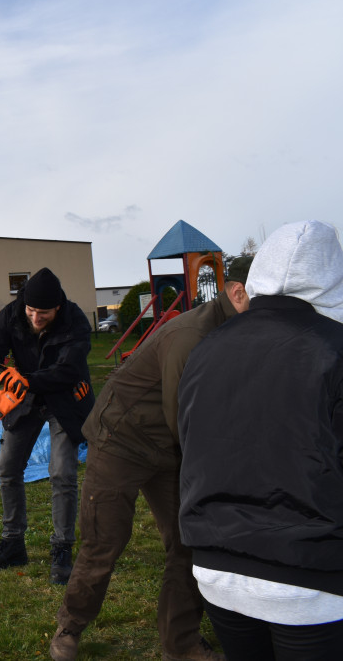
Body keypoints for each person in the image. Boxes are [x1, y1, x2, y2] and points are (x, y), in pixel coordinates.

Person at [49, 256, 252, 661]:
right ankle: (68, 630)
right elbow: (184, 416)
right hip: (121, 440)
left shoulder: (237, 332)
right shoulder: (191, 335)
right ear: (238, 293)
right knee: (105, 540)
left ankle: (181, 643)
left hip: (168, 448)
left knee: (189, 541)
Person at [177, 220, 343, 660]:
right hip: (311, 579)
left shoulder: (207, 348)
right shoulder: (334, 348)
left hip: (218, 564)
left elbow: (190, 441)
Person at [0, 267, 94, 585]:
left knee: (62, 472)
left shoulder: (76, 321)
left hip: (65, 399)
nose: (36, 318)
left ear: (58, 308)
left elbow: (68, 370)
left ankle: (62, 549)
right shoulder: (11, 314)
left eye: (44, 313)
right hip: (23, 399)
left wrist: (26, 379)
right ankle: (13, 543)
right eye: (32, 311)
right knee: (7, 466)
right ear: (24, 304)